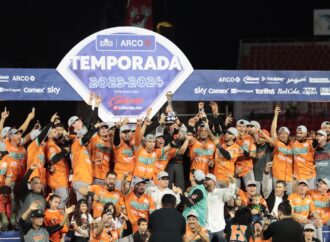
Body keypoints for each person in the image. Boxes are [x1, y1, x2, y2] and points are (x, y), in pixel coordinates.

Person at [204, 173, 236, 242]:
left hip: (219, 227)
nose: (205, 181)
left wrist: (232, 183)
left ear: (213, 181)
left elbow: (230, 194)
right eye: (204, 180)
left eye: (207, 180)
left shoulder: (220, 192)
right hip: (206, 227)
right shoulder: (203, 193)